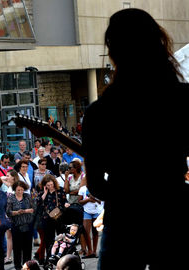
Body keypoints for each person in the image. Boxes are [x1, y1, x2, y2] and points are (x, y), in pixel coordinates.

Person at [81, 8, 189, 270]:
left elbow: (95, 184)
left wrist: (125, 192)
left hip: (125, 220)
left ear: (113, 52)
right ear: (158, 43)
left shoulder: (99, 113)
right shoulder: (183, 100)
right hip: (174, 212)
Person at [37, 175, 70, 259]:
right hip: (47, 219)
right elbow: (38, 204)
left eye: (51, 184)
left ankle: (61, 256)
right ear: (45, 185)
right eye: (48, 185)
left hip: (59, 217)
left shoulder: (60, 190)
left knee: (61, 238)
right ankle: (49, 258)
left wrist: (66, 204)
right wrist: (44, 193)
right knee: (49, 240)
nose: (50, 187)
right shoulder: (42, 191)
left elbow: (64, 201)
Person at [7, 181, 35, 270]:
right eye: (18, 190)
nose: (20, 192)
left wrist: (26, 211)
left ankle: (27, 265)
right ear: (15, 190)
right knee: (17, 247)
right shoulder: (11, 198)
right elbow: (8, 212)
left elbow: (33, 208)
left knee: (28, 246)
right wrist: (16, 212)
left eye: (22, 190)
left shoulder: (27, 197)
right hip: (16, 225)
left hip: (28, 224)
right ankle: (18, 266)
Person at [78, 180, 103, 259]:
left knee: (95, 231)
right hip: (87, 211)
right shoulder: (82, 189)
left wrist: (94, 199)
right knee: (86, 231)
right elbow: (80, 201)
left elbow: (101, 202)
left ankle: (94, 251)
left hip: (97, 211)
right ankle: (90, 251)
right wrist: (88, 199)